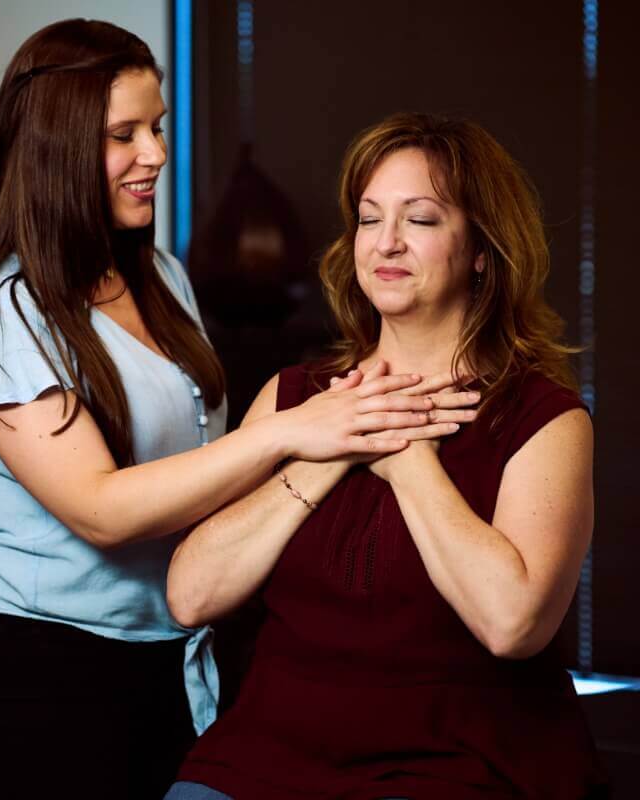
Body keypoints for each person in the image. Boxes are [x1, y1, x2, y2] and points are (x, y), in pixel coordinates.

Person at [0, 23, 476, 800]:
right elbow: (102, 511)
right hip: (39, 681)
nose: (155, 153)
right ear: (56, 145)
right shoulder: (5, 314)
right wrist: (296, 432)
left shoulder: (162, 278)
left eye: (157, 128)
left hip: (174, 667)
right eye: (124, 135)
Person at [164, 113, 610, 799]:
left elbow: (513, 624)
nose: (387, 243)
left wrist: (410, 462)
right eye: (369, 220)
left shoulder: (543, 417)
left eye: (422, 220)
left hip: (459, 763)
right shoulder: (296, 398)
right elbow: (191, 596)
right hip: (265, 755)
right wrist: (328, 448)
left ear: (482, 249)